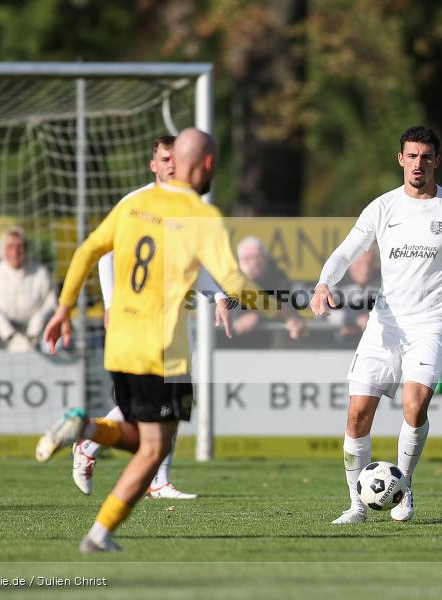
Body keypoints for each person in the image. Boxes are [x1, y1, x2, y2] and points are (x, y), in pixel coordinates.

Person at [36, 128, 255, 553]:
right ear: (208, 164)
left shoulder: (134, 206)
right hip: (161, 344)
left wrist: (64, 309)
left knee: (146, 440)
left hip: (123, 340)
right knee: (156, 443)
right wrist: (287, 304)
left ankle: (91, 455)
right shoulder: (197, 214)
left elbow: (87, 251)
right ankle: (91, 458)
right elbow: (233, 279)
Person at [310, 125, 442, 524]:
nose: (418, 164)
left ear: (436, 162)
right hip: (385, 324)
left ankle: (402, 484)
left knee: (415, 405)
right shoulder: (383, 207)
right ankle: (357, 505)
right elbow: (347, 251)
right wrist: (325, 282)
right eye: (411, 156)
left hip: (431, 324)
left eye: (425, 157)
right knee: (358, 413)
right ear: (400, 159)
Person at [71, 135, 232, 501]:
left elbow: (193, 259)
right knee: (144, 408)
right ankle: (90, 443)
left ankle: (148, 475)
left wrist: (219, 295)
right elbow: (103, 254)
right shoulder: (137, 203)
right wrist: (110, 303)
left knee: (162, 407)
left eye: (175, 158)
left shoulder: (184, 205)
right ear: (153, 164)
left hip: (170, 319)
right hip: (137, 321)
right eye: (163, 159)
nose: (170, 165)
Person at [0, 226, 57, 351]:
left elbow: (51, 303)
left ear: (26, 248)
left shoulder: (40, 273)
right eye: (10, 247)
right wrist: (3, 326)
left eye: (19, 247)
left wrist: (38, 321)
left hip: (33, 343)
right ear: (2, 249)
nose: (15, 252)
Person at [228, 236, 305, 346]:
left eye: (258, 257)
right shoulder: (229, 279)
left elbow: (285, 307)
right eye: (248, 258)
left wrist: (258, 315)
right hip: (227, 346)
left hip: (269, 348)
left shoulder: (278, 278)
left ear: (266, 258)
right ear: (239, 261)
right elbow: (224, 309)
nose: (255, 262)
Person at [326, 248, 381, 346]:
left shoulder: (384, 281)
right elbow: (324, 313)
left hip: (377, 344)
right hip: (336, 345)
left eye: (369, 264)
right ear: (349, 264)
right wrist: (356, 319)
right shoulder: (334, 281)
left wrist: (372, 319)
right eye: (360, 264)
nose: (365, 269)